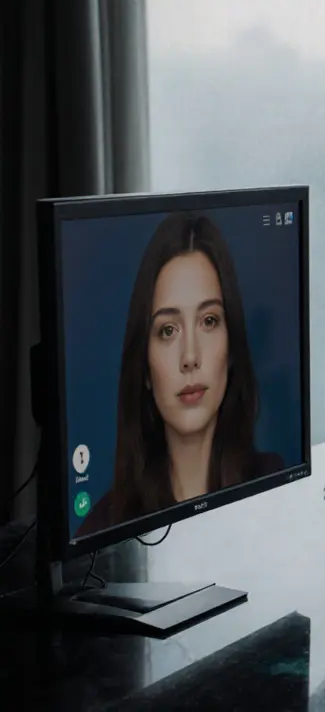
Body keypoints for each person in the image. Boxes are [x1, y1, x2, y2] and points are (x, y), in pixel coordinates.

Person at [77, 212, 284, 536]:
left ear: (231, 350)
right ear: (144, 369)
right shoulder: (102, 532)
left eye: (209, 321)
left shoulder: (274, 484)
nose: (190, 357)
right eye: (168, 330)